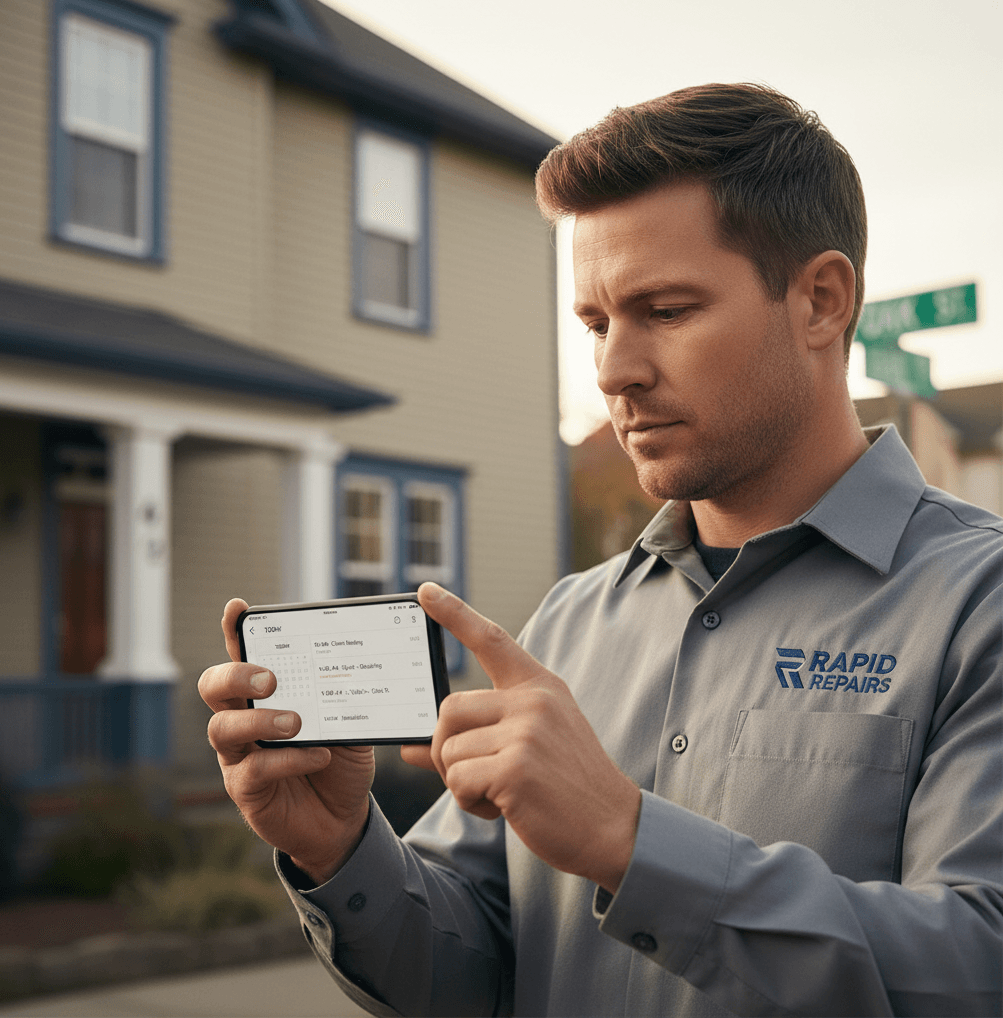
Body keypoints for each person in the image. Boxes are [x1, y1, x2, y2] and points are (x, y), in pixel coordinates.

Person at [198, 84, 1002, 1017]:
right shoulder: (569, 622)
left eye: (664, 309)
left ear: (821, 301)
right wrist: (339, 850)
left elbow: (979, 966)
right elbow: (476, 976)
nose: (615, 370)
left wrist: (630, 841)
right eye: (595, 324)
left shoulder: (977, 602)